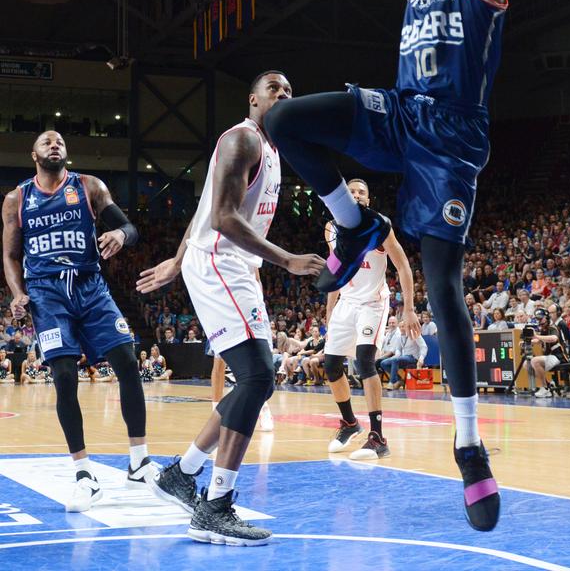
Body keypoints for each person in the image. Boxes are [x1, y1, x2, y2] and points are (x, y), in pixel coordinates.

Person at [265, 0, 508, 531]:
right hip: (399, 113)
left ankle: (469, 449)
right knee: (285, 121)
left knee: (441, 286)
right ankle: (354, 220)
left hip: (450, 145)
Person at [136, 71, 324, 547]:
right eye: (274, 89)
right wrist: (286, 260)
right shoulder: (242, 139)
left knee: (258, 379)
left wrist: (177, 260)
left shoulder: (273, 150)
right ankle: (213, 507)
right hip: (221, 262)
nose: (283, 94)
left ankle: (182, 474)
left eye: (288, 90)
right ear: (253, 99)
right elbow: (221, 219)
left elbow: (204, 208)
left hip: (231, 263)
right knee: (259, 376)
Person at [1, 131, 156, 511]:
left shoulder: (89, 186)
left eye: (60, 142)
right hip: (46, 294)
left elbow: (131, 229)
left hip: (91, 288)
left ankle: (140, 461)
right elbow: (10, 257)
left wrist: (119, 233)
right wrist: (17, 294)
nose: (55, 145)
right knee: (65, 376)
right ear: (33, 154)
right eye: (46, 141)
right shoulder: (17, 199)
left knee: (127, 362)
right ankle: (84, 474)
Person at [324, 179, 419, 459]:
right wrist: (330, 310)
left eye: (361, 192)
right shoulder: (331, 228)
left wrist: (409, 308)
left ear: (368, 199)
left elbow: (402, 266)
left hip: (373, 303)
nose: (355, 195)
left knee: (365, 360)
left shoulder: (380, 228)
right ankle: (350, 423)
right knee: (330, 365)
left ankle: (377, 437)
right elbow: (335, 269)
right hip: (347, 301)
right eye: (351, 192)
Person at [527, 308, 570, 398]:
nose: (539, 321)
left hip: (560, 356)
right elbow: (538, 341)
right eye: (537, 319)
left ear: (547, 318)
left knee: (535, 361)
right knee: (526, 364)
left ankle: (545, 388)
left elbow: (554, 338)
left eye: (541, 318)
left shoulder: (553, 327)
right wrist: (528, 342)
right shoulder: (544, 329)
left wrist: (537, 336)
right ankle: (548, 385)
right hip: (551, 356)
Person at [379, 320, 427, 389]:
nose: (401, 328)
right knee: (383, 363)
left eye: (403, 326)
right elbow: (398, 349)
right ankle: (399, 380)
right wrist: (396, 356)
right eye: (400, 327)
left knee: (395, 360)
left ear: (408, 327)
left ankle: (392, 383)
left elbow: (424, 346)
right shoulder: (399, 336)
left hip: (413, 358)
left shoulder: (414, 334)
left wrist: (421, 358)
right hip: (402, 358)